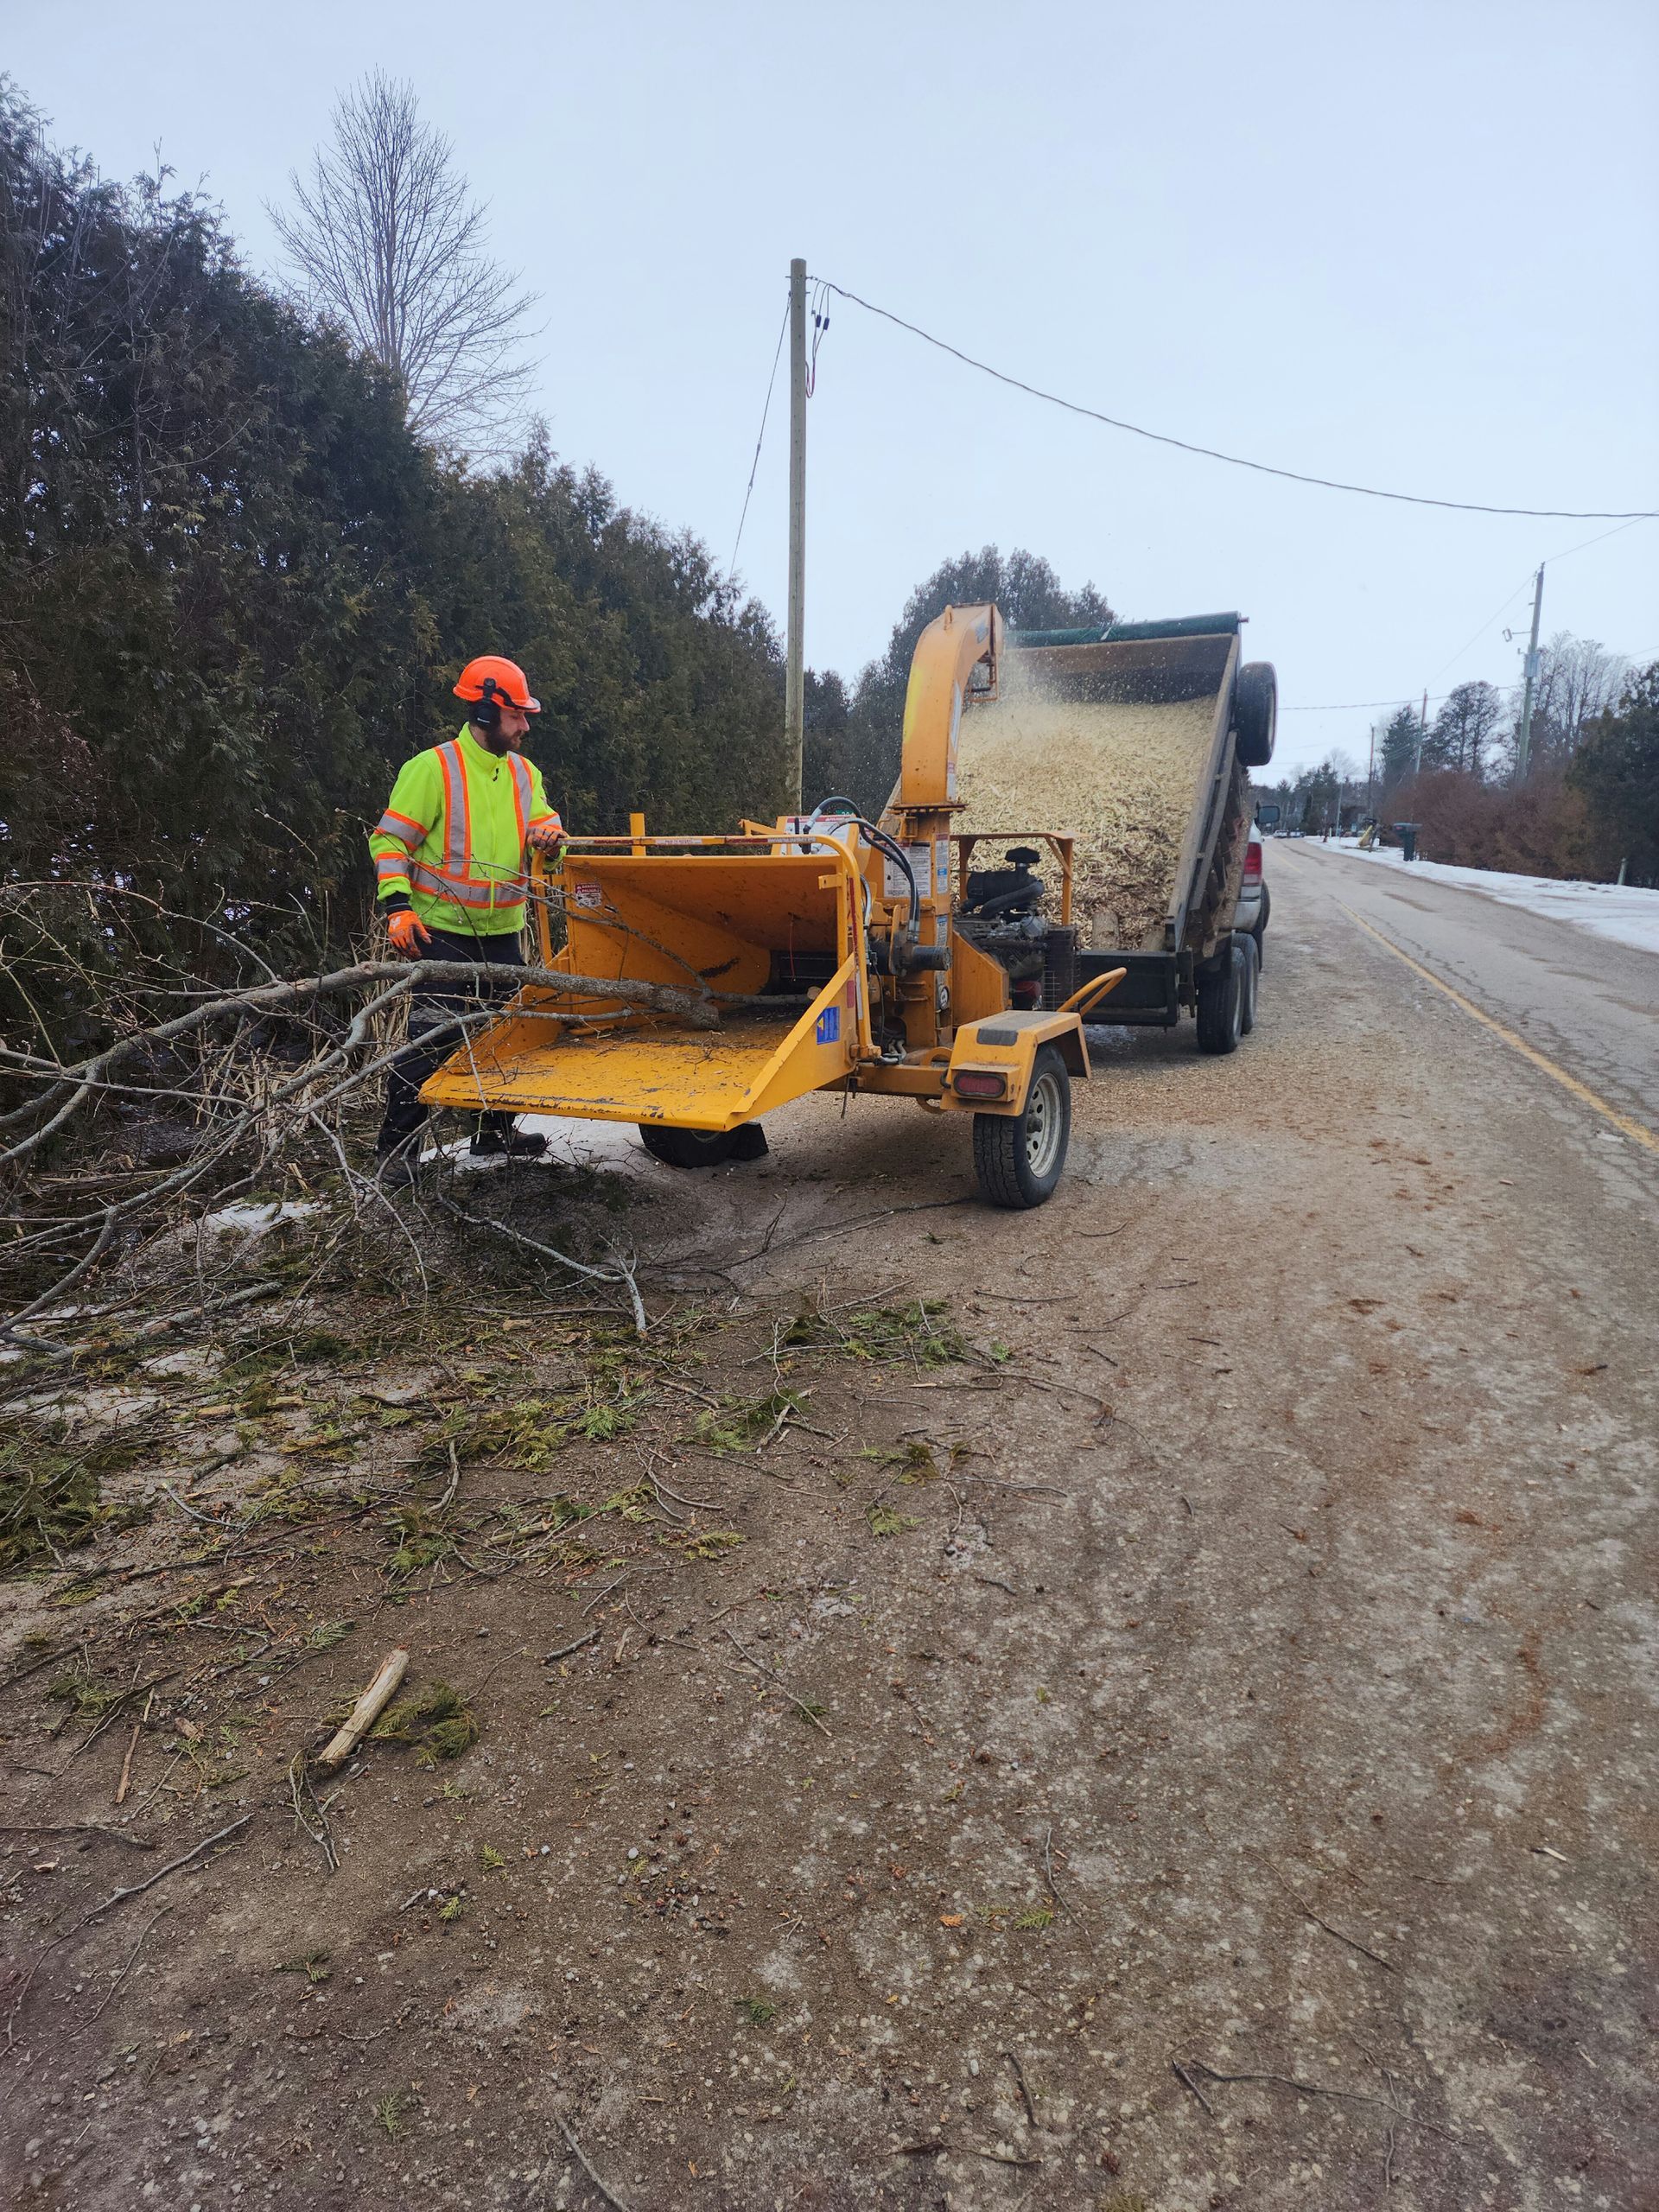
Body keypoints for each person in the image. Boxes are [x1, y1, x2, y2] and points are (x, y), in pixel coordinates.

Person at [368, 656, 565, 1184]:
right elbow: (389, 841)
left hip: (503, 932)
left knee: (502, 1035)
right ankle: (396, 1151)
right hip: (443, 933)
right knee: (430, 1040)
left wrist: (552, 842)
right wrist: (398, 907)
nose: (526, 725)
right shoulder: (432, 769)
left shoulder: (525, 774)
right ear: (484, 710)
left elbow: (549, 831)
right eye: (517, 715)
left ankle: (493, 1135)